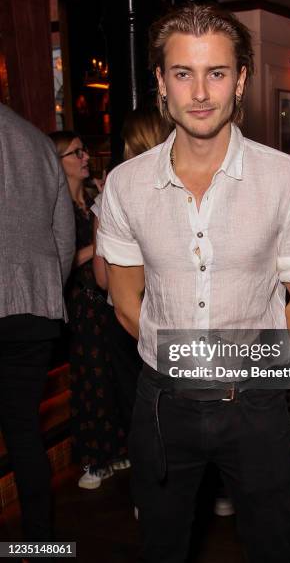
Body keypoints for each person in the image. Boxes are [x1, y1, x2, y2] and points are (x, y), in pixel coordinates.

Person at [97, 3, 290, 563]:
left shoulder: (289, 181)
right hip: (160, 403)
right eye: (183, 73)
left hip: (255, 404)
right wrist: (187, 369)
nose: (200, 92)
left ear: (241, 81)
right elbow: (128, 302)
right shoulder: (126, 185)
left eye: (217, 73)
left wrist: (233, 371)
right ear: (161, 81)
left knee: (273, 546)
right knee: (161, 544)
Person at [0, 104, 75, 543]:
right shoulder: (36, 140)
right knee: (25, 433)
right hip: (34, 312)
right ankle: (40, 546)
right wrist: (42, 288)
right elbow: (63, 234)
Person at [49, 131, 127, 489]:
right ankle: (95, 459)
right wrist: (98, 243)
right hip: (81, 303)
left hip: (108, 299)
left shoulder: (94, 198)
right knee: (91, 378)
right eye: (75, 152)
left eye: (83, 149)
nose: (84, 157)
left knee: (116, 377)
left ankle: (119, 451)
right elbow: (57, 262)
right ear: (57, 161)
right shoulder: (55, 206)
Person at [92, 108, 170, 432]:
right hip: (175, 314)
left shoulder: (116, 190)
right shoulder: (187, 187)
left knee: (140, 410)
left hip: (129, 320)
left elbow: (101, 277)